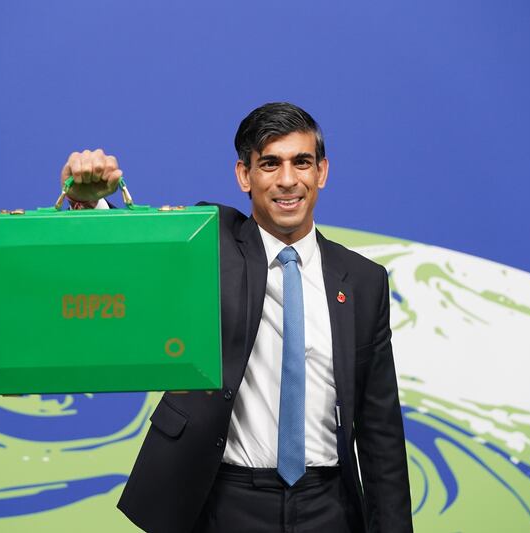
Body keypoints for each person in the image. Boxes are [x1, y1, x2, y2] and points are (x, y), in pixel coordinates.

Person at [60, 103, 412, 533]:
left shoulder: (362, 281)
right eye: (270, 164)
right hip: (225, 502)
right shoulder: (209, 244)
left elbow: (381, 436)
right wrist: (88, 199)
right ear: (244, 176)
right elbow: (132, 261)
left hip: (329, 505)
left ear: (322, 172)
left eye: (301, 162)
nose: (287, 180)